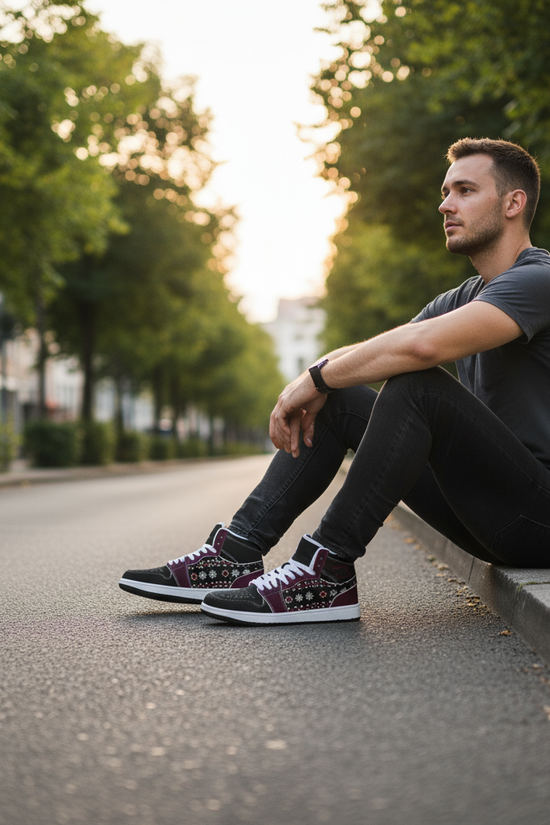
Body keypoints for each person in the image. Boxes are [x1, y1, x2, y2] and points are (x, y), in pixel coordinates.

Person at [119, 138, 550, 625]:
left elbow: (419, 349)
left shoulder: (539, 280)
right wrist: (317, 378)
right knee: (343, 395)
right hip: (490, 509)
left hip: (540, 518)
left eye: (465, 190)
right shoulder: (466, 296)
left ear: (514, 203)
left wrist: (316, 377)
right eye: (446, 192)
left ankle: (327, 570)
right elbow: (378, 349)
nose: (445, 204)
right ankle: (236, 552)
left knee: (417, 386)